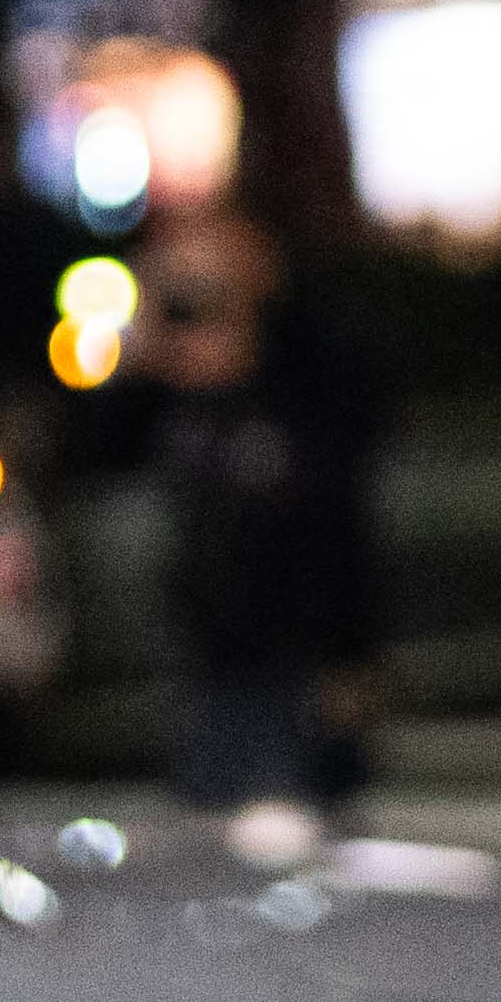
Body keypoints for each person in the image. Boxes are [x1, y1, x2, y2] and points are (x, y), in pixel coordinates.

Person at [130, 197, 389, 832]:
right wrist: (148, 328)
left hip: (296, 679)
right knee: (207, 854)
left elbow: (338, 536)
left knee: (297, 852)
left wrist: (349, 661)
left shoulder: (305, 397)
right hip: (208, 676)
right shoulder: (174, 407)